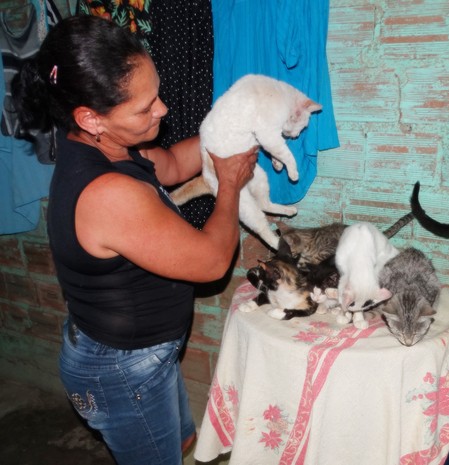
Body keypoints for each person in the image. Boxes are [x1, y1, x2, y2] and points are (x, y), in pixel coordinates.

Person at [11, 15, 257, 465]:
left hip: (141, 357)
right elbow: (212, 261)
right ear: (91, 117)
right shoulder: (108, 194)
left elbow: (169, 163)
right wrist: (229, 184)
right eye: (144, 108)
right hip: (121, 371)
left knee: (176, 444)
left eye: (157, 94)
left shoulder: (103, 146)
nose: (162, 109)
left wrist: (230, 136)